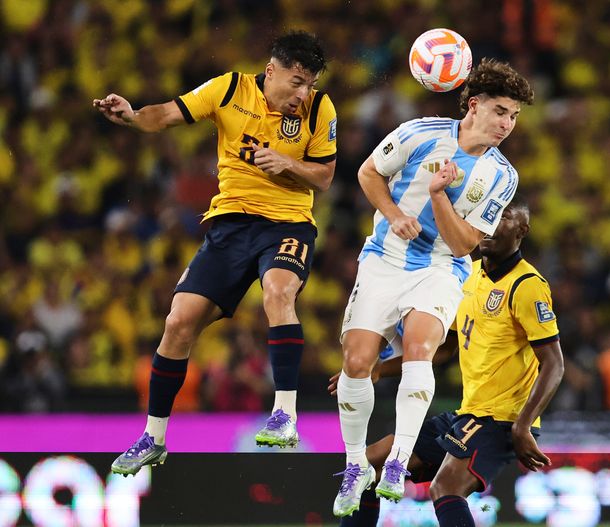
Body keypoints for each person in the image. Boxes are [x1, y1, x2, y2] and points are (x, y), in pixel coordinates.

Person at [93, 30, 337, 476]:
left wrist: (289, 164)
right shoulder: (228, 89)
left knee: (278, 293)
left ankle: (284, 415)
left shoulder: (321, 110)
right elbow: (164, 115)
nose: (303, 94)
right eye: (296, 82)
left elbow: (323, 177)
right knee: (178, 322)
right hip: (229, 225)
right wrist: (131, 116)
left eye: (310, 84)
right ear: (271, 71)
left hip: (287, 224)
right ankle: (154, 436)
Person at [333, 58, 534, 516]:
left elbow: (465, 245)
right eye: (501, 111)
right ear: (476, 105)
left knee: (421, 347)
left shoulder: (501, 175)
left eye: (514, 117)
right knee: (357, 361)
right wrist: (395, 215)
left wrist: (440, 194)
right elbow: (368, 173)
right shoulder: (418, 132)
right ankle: (354, 467)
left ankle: (397, 460)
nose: (507, 124)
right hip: (384, 258)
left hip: (441, 267)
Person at [329, 198, 565, 526]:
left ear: (522, 230)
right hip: (467, 415)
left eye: (505, 218)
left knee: (445, 488)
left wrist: (523, 425)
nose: (492, 223)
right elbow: (446, 347)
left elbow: (553, 363)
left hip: (500, 421)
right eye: (489, 215)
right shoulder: (467, 275)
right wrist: (380, 368)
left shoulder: (527, 286)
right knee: (369, 464)